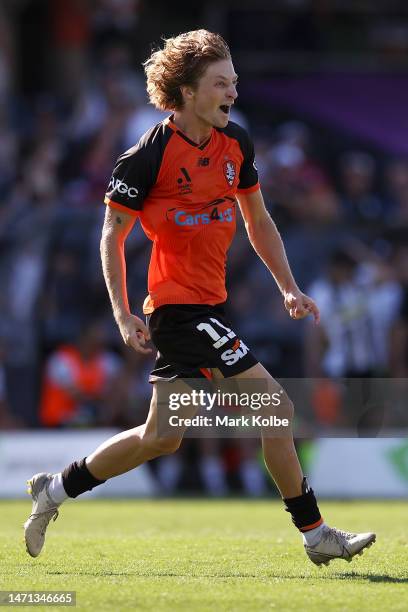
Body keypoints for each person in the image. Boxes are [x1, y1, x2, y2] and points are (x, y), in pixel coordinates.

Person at [24, 29, 375, 565]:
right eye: (220, 83)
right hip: (175, 310)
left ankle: (55, 490)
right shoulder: (146, 157)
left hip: (209, 307)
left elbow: (257, 219)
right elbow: (111, 235)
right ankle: (315, 534)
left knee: (159, 437)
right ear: (187, 91)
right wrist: (121, 311)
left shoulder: (237, 144)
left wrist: (288, 287)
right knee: (275, 408)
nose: (232, 92)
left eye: (234, 81)